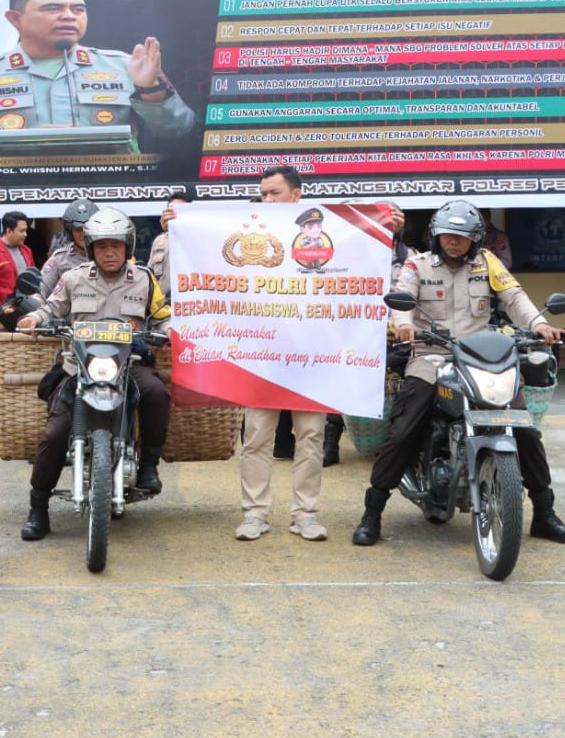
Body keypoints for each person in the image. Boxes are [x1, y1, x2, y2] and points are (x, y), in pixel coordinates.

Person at [353, 200, 565, 546]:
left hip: (481, 357)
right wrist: (405, 326)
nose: (454, 241)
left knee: (524, 429)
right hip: (431, 355)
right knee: (404, 429)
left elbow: (514, 298)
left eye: (462, 237)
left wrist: (540, 324)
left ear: (475, 239)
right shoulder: (417, 264)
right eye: (448, 235)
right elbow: (402, 299)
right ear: (436, 235)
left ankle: (544, 512)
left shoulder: (488, 263)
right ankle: (372, 512)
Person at [16, 207, 171, 540]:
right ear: (90, 248)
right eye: (102, 246)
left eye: (116, 245)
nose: (109, 252)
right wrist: (34, 320)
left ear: (127, 247)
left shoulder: (144, 278)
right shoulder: (73, 278)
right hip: (80, 369)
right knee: (55, 433)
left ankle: (148, 468)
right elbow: (49, 307)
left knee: (157, 393)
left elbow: (162, 316)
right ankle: (38, 508)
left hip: (129, 368)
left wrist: (171, 331)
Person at [0, 0, 196, 147]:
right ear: (14, 19)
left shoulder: (125, 67)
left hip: (108, 194)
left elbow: (178, 133)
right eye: (53, 8)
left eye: (78, 10)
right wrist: (25, 142)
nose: (69, 16)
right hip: (14, 200)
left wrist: (150, 91)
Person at [236, 165, 328, 542]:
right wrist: (175, 224)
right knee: (256, 437)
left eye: (274, 193)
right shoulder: (246, 232)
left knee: (310, 436)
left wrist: (392, 228)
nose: (267, 200)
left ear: (296, 196)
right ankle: (254, 513)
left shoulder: (324, 236)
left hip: (311, 354)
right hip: (262, 353)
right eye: (263, 194)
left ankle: (306, 514)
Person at [40, 198, 99, 298]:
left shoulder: (109, 256)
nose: (83, 234)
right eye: (78, 229)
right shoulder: (59, 259)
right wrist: (35, 301)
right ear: (70, 231)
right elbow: (42, 289)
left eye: (88, 228)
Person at [147, 191, 190, 303]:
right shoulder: (159, 241)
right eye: (171, 210)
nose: (174, 214)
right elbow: (149, 278)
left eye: (180, 210)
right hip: (162, 310)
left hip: (190, 306)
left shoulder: (198, 238)